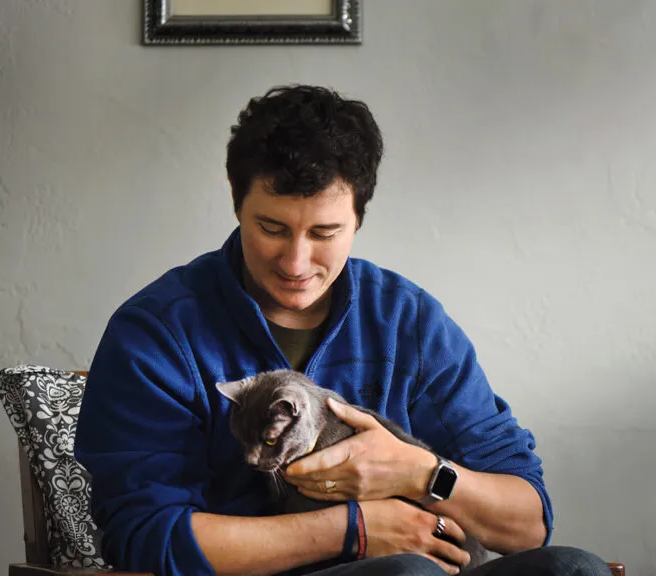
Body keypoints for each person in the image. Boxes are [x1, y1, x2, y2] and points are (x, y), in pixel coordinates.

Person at [73, 84, 609, 576]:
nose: (296, 261)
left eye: (325, 232)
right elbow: (144, 539)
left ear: (359, 218)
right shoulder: (157, 332)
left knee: (574, 569)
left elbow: (528, 523)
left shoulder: (408, 321)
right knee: (407, 573)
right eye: (271, 228)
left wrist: (418, 473)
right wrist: (352, 531)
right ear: (237, 205)